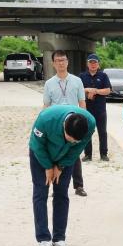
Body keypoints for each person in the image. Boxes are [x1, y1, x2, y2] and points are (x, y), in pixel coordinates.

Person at [29, 105, 96, 246]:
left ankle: (59, 239)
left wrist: (60, 166)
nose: (73, 141)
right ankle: (43, 239)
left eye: (75, 140)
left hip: (66, 158)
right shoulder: (46, 119)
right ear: (63, 127)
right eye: (69, 138)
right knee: (41, 192)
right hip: (41, 154)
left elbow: (76, 149)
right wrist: (47, 166)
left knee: (61, 194)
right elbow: (37, 145)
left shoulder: (90, 123)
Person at [43, 50, 88, 197]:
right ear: (53, 63)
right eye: (58, 60)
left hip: (74, 122)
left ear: (68, 62)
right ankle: (56, 185)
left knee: (74, 154)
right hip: (56, 125)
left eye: (63, 60)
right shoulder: (49, 83)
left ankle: (79, 185)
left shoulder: (77, 81)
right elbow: (46, 106)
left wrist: (84, 120)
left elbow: (82, 102)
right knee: (56, 154)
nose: (61, 63)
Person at [79, 53, 111, 162]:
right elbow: (77, 90)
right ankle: (88, 154)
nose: (93, 65)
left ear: (98, 65)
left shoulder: (103, 76)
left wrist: (96, 91)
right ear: (87, 64)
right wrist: (88, 89)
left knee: (102, 132)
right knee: (87, 131)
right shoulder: (82, 76)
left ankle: (103, 154)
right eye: (91, 62)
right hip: (86, 109)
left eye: (95, 63)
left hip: (100, 109)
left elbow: (107, 90)